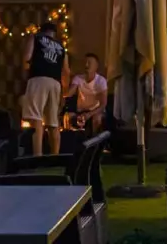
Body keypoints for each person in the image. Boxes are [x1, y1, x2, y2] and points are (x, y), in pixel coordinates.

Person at [22, 22, 69, 155]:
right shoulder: (61, 47)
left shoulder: (35, 37)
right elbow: (66, 71)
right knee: (53, 123)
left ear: (42, 31)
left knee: (36, 118)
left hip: (38, 79)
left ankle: (38, 157)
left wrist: (25, 76)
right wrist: (64, 92)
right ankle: (55, 158)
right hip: (55, 83)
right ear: (54, 33)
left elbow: (26, 58)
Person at [67, 53, 108, 133]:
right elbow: (69, 93)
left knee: (97, 119)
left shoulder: (101, 81)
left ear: (96, 66)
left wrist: (89, 114)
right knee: (68, 117)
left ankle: (95, 139)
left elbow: (103, 104)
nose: (86, 65)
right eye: (85, 62)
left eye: (89, 63)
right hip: (81, 111)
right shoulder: (78, 78)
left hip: (95, 111)